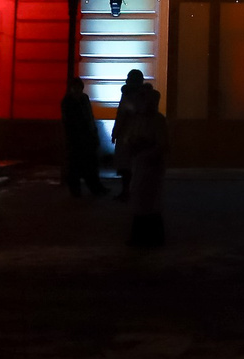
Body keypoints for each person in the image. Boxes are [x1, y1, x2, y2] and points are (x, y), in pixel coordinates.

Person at [120, 82, 170, 247]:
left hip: (151, 166)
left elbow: (161, 144)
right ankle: (141, 237)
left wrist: (144, 148)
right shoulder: (140, 119)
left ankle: (151, 237)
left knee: (150, 202)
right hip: (141, 164)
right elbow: (129, 137)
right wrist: (133, 145)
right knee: (141, 202)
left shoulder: (157, 120)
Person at [61, 84, 105, 195]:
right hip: (81, 136)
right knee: (85, 163)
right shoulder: (81, 99)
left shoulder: (71, 100)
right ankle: (92, 187)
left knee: (78, 164)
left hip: (80, 136)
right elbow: (88, 116)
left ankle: (81, 189)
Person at [111, 69, 147, 202]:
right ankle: (134, 192)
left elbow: (121, 115)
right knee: (134, 167)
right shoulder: (143, 96)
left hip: (127, 136)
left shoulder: (127, 95)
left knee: (126, 167)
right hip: (138, 135)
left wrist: (115, 132)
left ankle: (127, 192)